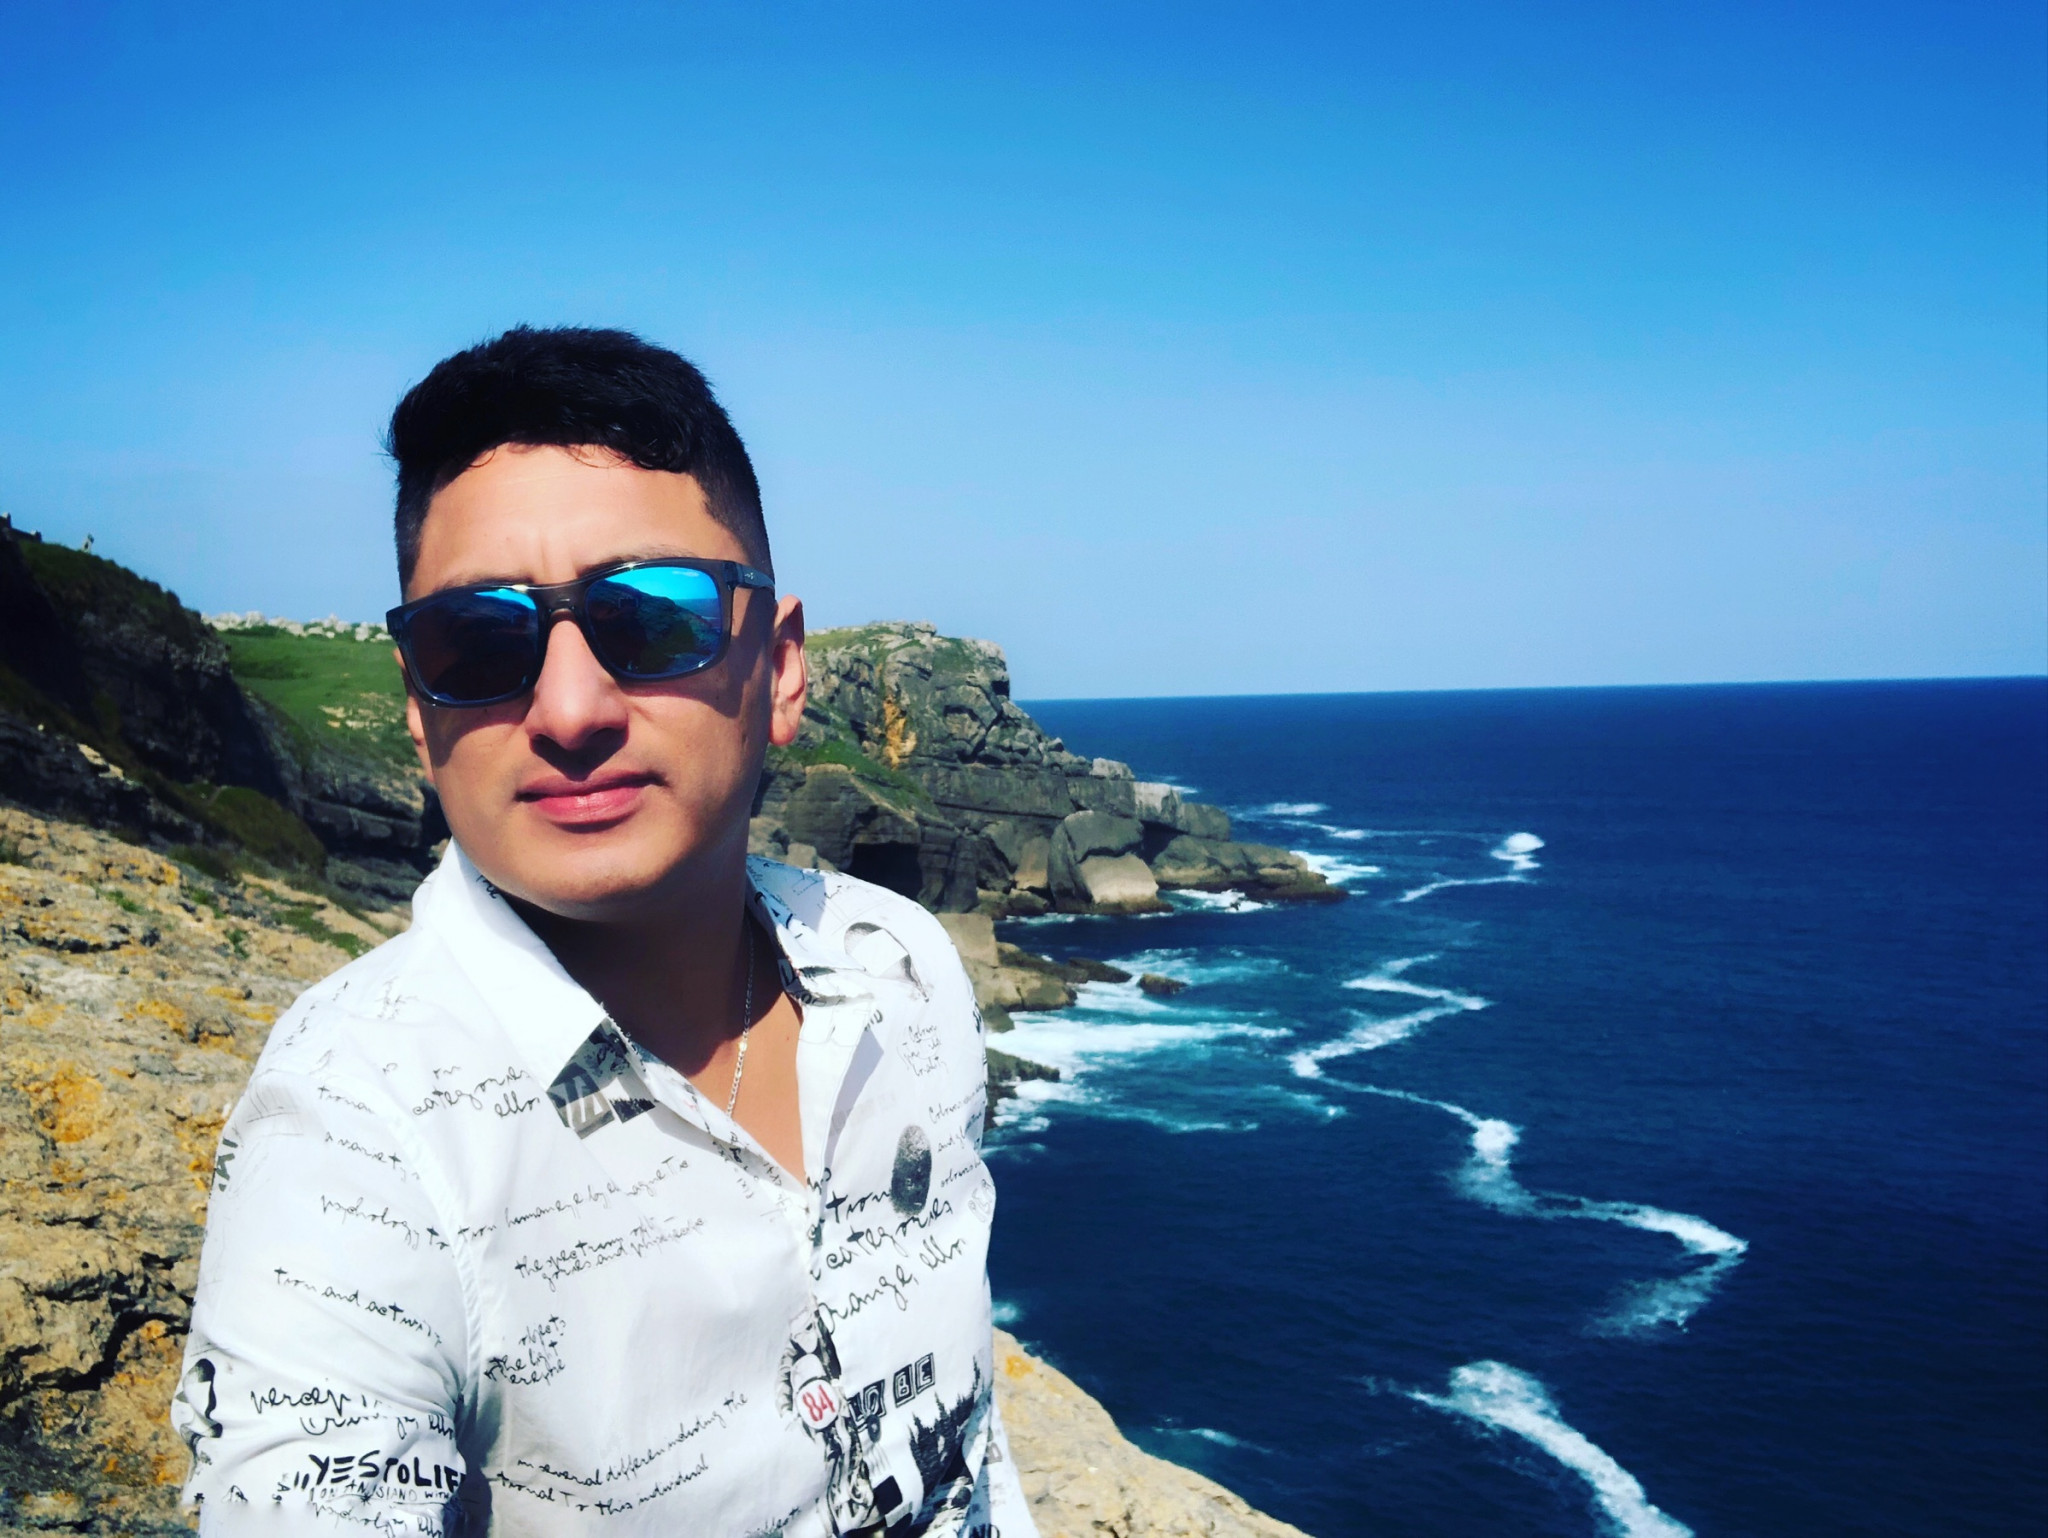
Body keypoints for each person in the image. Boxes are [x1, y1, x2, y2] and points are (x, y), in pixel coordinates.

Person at [172, 326, 1034, 1537]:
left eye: (652, 618)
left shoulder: (901, 967)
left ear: (781, 668)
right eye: (478, 641)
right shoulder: (351, 1132)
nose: (569, 708)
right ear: (418, 709)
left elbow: (964, 1443)